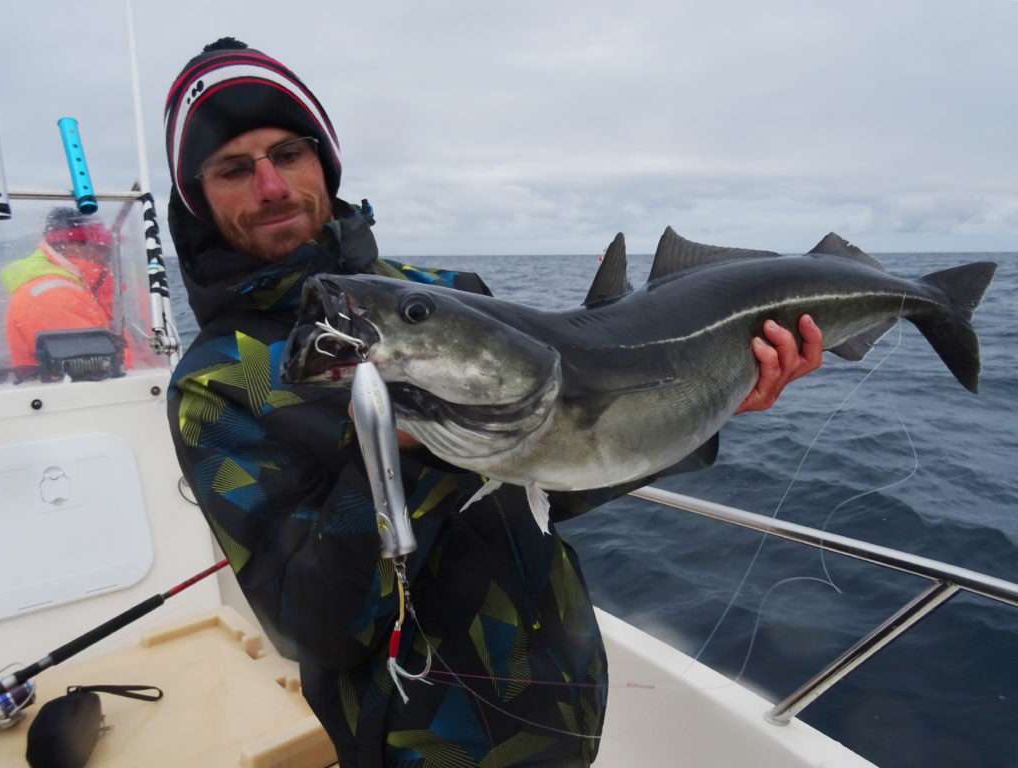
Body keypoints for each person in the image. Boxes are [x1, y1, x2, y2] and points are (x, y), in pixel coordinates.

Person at [164, 39, 823, 768]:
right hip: (425, 749)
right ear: (199, 196)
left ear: (324, 163)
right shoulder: (217, 386)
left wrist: (712, 403)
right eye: (233, 169)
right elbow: (315, 629)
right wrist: (401, 457)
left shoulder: (443, 293)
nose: (270, 186)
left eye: (289, 154)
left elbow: (560, 477)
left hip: (565, 703)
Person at [0, 207, 118, 371]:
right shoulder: (52, 295)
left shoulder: (67, 286)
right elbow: (95, 368)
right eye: (99, 245)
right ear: (70, 246)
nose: (107, 253)